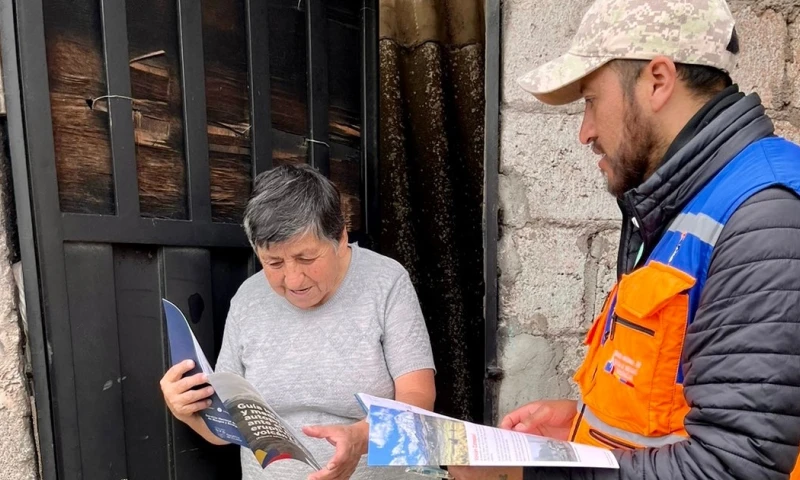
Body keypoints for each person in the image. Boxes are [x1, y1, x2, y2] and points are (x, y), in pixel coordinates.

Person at [448, 0, 800, 479]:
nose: (585, 131)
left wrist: (526, 474)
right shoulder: (687, 202)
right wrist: (585, 430)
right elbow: (676, 410)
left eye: (591, 99)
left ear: (657, 80)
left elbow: (737, 467)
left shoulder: (766, 219)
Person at [160, 163, 437, 480]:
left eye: (306, 258)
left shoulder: (385, 282)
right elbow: (228, 430)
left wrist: (360, 439)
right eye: (273, 262)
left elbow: (418, 400)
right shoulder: (248, 298)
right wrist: (186, 411)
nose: (293, 279)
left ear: (340, 237)